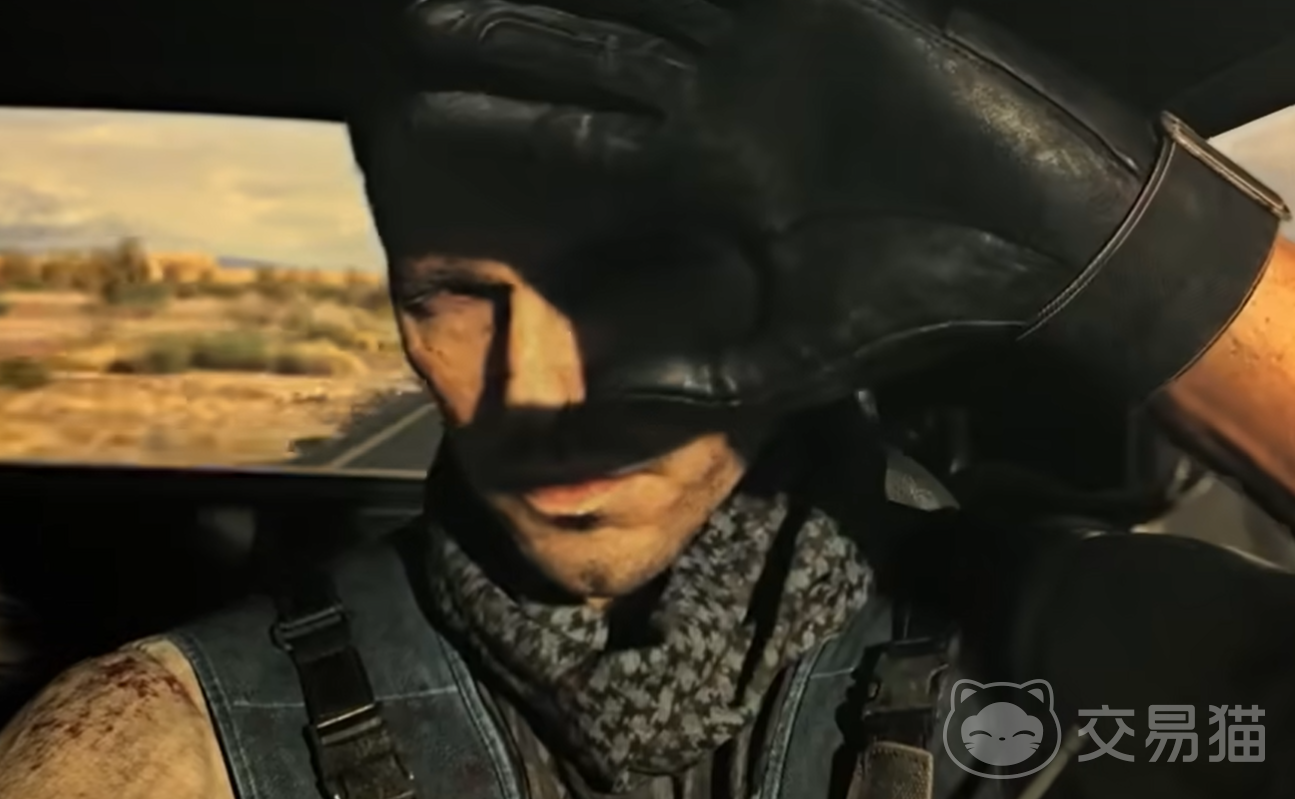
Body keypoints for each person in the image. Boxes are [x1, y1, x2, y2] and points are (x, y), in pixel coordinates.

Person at [1, 1, 1293, 799]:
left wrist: (1141, 260)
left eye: (631, 287)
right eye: (453, 296)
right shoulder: (166, 744)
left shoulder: (1100, 649)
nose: (538, 393)